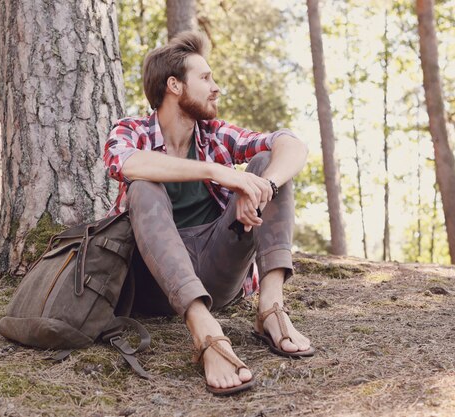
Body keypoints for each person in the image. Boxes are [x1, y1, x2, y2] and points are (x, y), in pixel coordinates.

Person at [103, 31, 314, 396]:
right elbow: (125, 162)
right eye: (205, 78)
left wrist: (264, 186)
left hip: (218, 270)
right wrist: (218, 172)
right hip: (154, 282)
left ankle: (271, 309)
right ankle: (205, 332)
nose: (216, 88)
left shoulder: (215, 135)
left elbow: (291, 144)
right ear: (174, 85)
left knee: (266, 165)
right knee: (143, 185)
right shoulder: (131, 131)